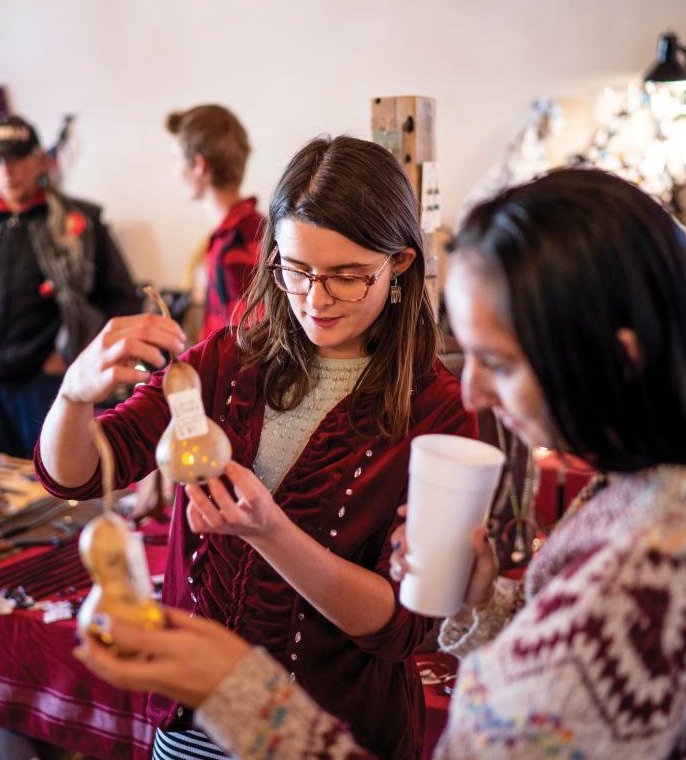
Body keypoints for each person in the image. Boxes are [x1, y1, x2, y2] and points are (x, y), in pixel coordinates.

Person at [73, 169, 686, 759]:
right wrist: (487, 604)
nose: (479, 386)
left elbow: (576, 653)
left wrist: (232, 687)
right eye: (299, 271)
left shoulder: (645, 576)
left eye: (503, 359)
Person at [36, 135, 475, 759]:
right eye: (295, 270)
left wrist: (269, 531)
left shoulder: (435, 409)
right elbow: (75, 474)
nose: (316, 300)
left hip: (331, 736)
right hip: (193, 727)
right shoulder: (229, 362)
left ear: (399, 263)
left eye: (347, 277)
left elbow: (406, 626)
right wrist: (74, 396)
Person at [0, 115, 142, 458]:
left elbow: (123, 300)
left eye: (17, 158)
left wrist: (75, 353)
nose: (7, 170)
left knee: (57, 487)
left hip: (52, 384)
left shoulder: (82, 221)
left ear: (40, 161)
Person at [166, 104, 266, 341]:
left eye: (176, 159)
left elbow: (241, 348)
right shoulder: (258, 227)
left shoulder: (234, 247)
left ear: (199, 165)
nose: (175, 170)